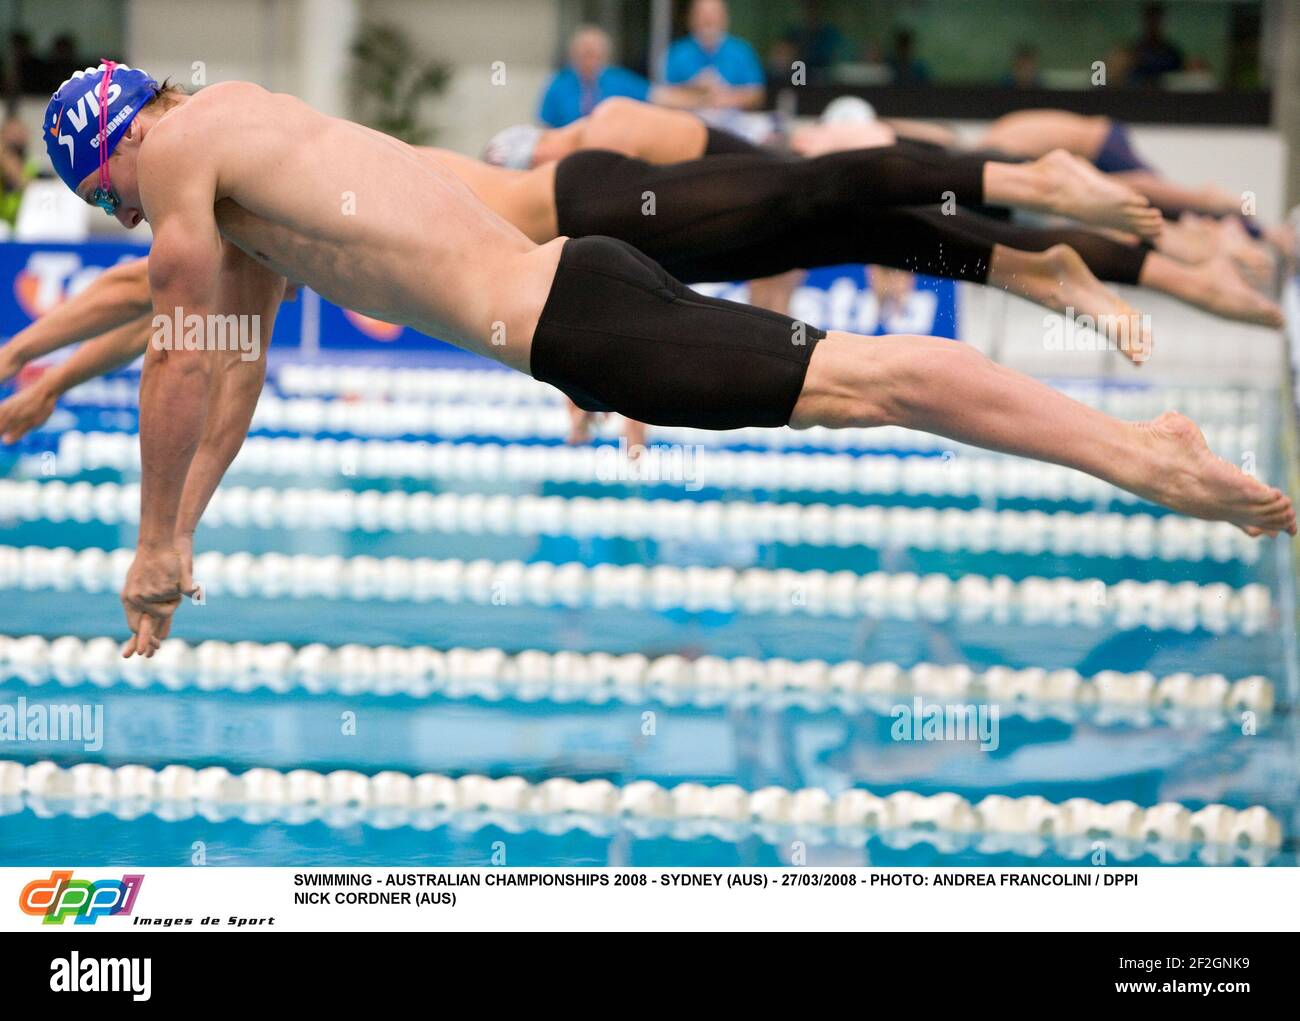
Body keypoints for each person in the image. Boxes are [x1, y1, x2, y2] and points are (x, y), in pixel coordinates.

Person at [39, 64, 1296, 654]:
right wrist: (183, 535)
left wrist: (147, 537)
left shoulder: (195, 145)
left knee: (876, 372)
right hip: (584, 315)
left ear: (117, 145)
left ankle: (1144, 450)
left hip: (581, 320)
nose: (136, 222)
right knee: (847, 305)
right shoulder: (249, 154)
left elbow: (172, 357)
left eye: (116, 200)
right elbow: (226, 364)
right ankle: (1100, 376)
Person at [538, 25, 651, 128]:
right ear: (573, 54)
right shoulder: (559, 83)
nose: (589, 61)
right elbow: (546, 124)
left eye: (594, 54)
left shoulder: (619, 79)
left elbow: (655, 95)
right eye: (585, 54)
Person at [662, 0, 765, 110]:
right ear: (691, 18)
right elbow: (663, 95)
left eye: (714, 14)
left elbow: (757, 94)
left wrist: (726, 97)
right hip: (690, 120)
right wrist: (693, 89)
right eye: (702, 15)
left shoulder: (742, 51)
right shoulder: (677, 52)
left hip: (733, 121)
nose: (708, 20)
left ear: (725, 17)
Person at [1129, 2, 1184, 85]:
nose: (1153, 25)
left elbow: (1180, 78)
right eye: (1150, 21)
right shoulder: (1134, 52)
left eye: (1156, 21)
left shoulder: (1172, 53)